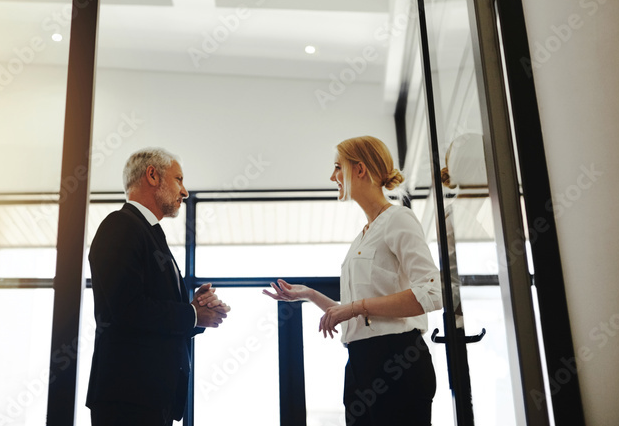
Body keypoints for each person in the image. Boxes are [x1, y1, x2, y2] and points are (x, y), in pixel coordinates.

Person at [263, 136, 443, 425]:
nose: (332, 176)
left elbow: (433, 293)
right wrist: (310, 294)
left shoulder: (399, 219)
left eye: (338, 167)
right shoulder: (364, 234)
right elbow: (359, 314)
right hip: (361, 364)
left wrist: (355, 307)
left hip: (396, 361)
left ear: (360, 170)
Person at [86, 147, 230, 426]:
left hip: (149, 398)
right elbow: (127, 310)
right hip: (129, 399)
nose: (185, 192)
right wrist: (192, 314)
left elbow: (149, 311)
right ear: (152, 176)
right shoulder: (121, 225)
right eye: (179, 179)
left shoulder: (147, 232)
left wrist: (195, 310)